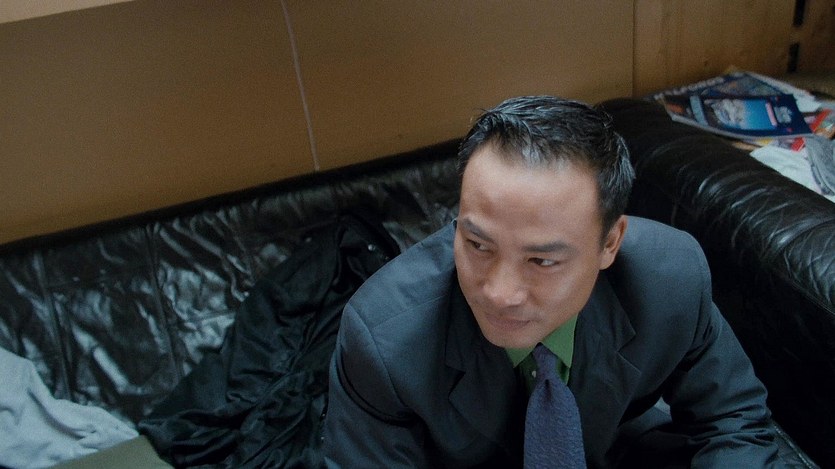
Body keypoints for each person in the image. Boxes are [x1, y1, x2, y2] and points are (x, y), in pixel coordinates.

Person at [322, 95, 780, 468]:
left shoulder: (669, 279)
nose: (499, 293)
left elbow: (733, 418)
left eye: (541, 260)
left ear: (610, 242)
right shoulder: (385, 340)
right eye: (478, 244)